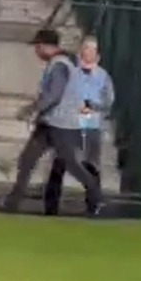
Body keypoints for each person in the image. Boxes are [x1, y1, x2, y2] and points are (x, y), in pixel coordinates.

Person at [0, 30, 104, 215]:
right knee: (27, 160)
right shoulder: (63, 63)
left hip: (60, 124)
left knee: (72, 165)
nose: (37, 52)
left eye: (38, 47)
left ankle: (96, 197)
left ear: (46, 46)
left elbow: (54, 95)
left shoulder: (59, 65)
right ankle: (12, 203)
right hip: (50, 123)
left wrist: (32, 108)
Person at [43, 38, 114, 216]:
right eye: (85, 49)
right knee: (61, 162)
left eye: (91, 50)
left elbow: (108, 101)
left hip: (91, 125)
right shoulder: (70, 71)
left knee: (91, 165)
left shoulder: (103, 76)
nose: (87, 53)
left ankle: (94, 204)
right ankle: (51, 206)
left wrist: (92, 105)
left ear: (97, 54)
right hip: (69, 125)